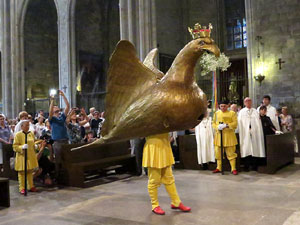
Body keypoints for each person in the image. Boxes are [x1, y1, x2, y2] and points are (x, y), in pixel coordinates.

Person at [142, 133, 191, 215]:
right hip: (153, 146)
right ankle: (155, 205)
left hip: (165, 145)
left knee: (169, 178)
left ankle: (176, 202)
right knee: (154, 180)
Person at [238, 98, 265, 170]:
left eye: (249, 101)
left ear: (251, 102)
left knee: (255, 148)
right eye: (246, 101)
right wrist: (246, 129)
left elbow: (258, 123)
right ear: (244, 103)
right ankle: (246, 166)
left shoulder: (255, 111)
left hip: (254, 133)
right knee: (246, 148)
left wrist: (253, 129)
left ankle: (254, 166)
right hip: (245, 133)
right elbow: (240, 123)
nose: (248, 103)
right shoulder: (241, 112)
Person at [212, 100, 238, 175]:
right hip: (219, 135)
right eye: (221, 106)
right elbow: (213, 123)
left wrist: (226, 125)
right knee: (218, 153)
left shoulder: (232, 113)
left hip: (229, 135)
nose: (223, 107)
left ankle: (233, 168)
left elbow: (235, 123)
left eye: (224, 106)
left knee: (231, 153)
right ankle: (218, 167)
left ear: (228, 106)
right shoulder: (216, 113)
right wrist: (217, 127)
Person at [49, 90, 70, 181]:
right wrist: (52, 100)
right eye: (54, 108)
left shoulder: (62, 117)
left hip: (65, 140)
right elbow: (49, 112)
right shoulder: (52, 119)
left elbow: (68, 106)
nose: (56, 108)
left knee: (67, 158)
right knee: (58, 159)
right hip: (57, 142)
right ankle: (58, 176)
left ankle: (66, 174)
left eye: (57, 107)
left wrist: (63, 96)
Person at [13, 120, 39, 194]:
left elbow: (34, 142)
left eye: (28, 125)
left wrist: (35, 145)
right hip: (22, 156)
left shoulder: (31, 134)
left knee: (30, 171)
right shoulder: (18, 135)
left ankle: (30, 186)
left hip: (30, 155)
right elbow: (15, 146)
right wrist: (21, 147)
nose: (28, 127)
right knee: (22, 172)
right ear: (22, 126)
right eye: (26, 125)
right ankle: (22, 187)